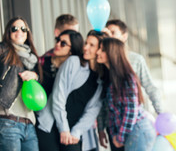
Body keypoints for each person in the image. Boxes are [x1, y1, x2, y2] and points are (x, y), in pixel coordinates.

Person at [98, 19, 162, 150]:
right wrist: (104, 129)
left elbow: (132, 107)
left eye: (113, 32)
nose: (109, 35)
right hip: (119, 130)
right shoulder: (106, 69)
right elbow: (105, 104)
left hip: (132, 128)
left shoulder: (132, 65)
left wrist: (161, 116)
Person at [36, 31, 103, 151]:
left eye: (91, 45)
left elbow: (92, 111)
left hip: (72, 130)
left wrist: (76, 132)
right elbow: (58, 96)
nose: (85, 47)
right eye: (86, 43)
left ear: (100, 49)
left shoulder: (101, 80)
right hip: (51, 124)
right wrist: (64, 129)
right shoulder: (73, 62)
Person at [0, 17, 42, 151]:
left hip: (29, 123)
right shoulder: (4, 50)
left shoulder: (32, 58)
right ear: (8, 32)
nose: (20, 32)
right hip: (8, 121)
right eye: (15, 29)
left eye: (23, 29)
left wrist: (35, 75)